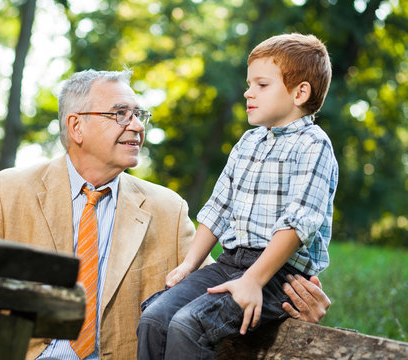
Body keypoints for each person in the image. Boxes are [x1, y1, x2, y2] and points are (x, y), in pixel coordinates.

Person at [0, 68, 331, 360]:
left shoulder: (168, 209)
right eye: (119, 114)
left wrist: (296, 313)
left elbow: (221, 294)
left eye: (138, 114)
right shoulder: (9, 190)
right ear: (76, 127)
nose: (136, 126)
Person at [137, 33, 338, 360]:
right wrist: (189, 264)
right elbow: (219, 207)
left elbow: (298, 224)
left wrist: (254, 281)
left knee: (189, 326)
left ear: (300, 92)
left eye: (261, 85)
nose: (248, 92)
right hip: (230, 262)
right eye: (249, 84)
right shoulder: (248, 142)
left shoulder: (314, 146)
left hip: (276, 274)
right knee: (154, 318)